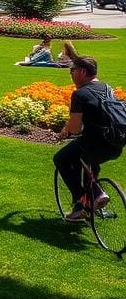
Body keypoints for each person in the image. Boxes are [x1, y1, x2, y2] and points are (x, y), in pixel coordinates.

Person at [54, 53, 123, 222]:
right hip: (115, 144)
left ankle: (85, 198)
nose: (71, 74)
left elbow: (76, 129)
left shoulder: (80, 94)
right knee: (85, 161)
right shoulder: (106, 87)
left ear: (82, 72)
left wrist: (66, 131)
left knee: (61, 159)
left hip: (93, 145)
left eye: (72, 70)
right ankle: (83, 207)